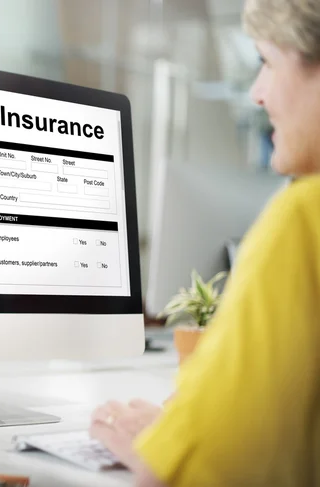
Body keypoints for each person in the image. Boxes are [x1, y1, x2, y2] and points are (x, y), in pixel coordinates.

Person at [89, 0, 320, 485]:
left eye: (267, 62)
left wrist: (160, 443)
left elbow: (209, 469)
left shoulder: (303, 217)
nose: (257, 93)